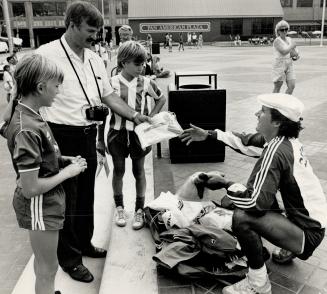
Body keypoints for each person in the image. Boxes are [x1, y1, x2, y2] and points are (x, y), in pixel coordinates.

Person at [35, 1, 150, 283]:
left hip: (87, 135)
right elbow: (25, 97)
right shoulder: (45, 55)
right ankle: (70, 259)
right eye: (90, 30)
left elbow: (109, 97)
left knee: (87, 195)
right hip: (60, 136)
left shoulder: (96, 59)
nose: (95, 36)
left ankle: (85, 243)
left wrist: (137, 116)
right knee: (66, 201)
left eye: (98, 30)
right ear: (72, 24)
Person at [180, 93, 327, 294]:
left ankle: (258, 284)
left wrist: (225, 183)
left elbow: (255, 203)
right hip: (310, 221)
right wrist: (209, 134)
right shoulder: (284, 141)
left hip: (308, 233)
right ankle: (289, 246)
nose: (257, 113)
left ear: (276, 121)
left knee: (243, 216)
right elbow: (245, 141)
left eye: (263, 112)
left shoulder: (276, 151)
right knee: (244, 199)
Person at [3, 54, 87, 294]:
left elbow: (38, 157)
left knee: (44, 266)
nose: (59, 91)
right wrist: (68, 172)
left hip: (45, 202)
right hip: (40, 203)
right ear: (40, 87)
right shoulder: (27, 127)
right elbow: (30, 188)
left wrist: (61, 160)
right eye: (56, 86)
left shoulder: (27, 113)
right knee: (47, 268)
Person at [108, 41, 166, 230]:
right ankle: (119, 207)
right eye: (137, 64)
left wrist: (151, 116)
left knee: (138, 171)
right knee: (118, 171)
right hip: (116, 133)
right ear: (124, 63)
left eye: (143, 64)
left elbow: (161, 98)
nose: (141, 68)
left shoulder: (147, 82)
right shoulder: (112, 83)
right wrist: (100, 140)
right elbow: (103, 114)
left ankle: (139, 209)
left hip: (138, 136)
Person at [272, 20, 299, 94]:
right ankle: (273, 104)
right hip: (279, 65)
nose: (284, 31)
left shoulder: (289, 39)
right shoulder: (277, 41)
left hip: (289, 64)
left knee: (292, 85)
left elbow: (294, 53)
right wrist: (292, 46)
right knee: (278, 87)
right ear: (278, 31)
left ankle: (285, 102)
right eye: (282, 30)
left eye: (286, 29)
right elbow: (284, 52)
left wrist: (296, 55)